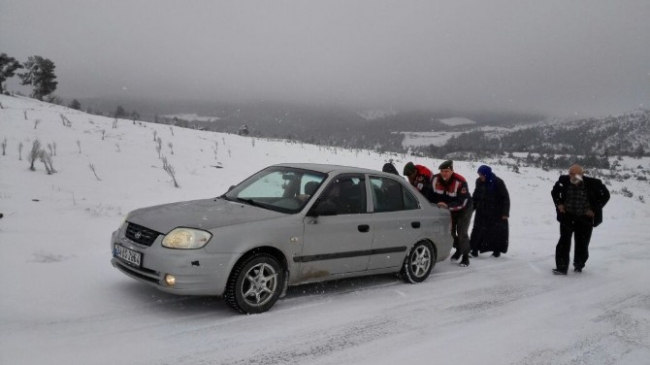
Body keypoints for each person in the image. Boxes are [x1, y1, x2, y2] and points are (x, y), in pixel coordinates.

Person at [551, 164, 610, 275]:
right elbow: (554, 192)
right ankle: (561, 267)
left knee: (582, 243)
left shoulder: (594, 183)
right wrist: (559, 204)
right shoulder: (563, 180)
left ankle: (579, 264)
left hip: (585, 218)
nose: (572, 176)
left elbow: (605, 195)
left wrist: (594, 209)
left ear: (582, 174)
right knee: (563, 241)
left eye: (576, 174)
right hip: (567, 216)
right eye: (571, 173)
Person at [429, 160, 473, 267]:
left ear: (452, 171)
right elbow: (430, 194)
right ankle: (459, 249)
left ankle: (465, 256)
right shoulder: (435, 179)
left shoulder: (460, 181)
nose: (444, 173)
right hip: (447, 209)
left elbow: (463, 201)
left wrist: (448, 206)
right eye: (442, 171)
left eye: (447, 171)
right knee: (450, 233)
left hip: (464, 209)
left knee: (462, 232)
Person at [470, 165, 510, 258]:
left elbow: (505, 198)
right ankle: (474, 250)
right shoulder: (479, 181)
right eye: (479, 175)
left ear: (487, 174)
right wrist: (471, 207)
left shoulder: (498, 182)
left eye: (482, 175)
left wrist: (505, 212)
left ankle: (497, 251)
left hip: (495, 212)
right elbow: (476, 195)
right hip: (481, 210)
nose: (480, 177)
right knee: (477, 230)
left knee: (495, 232)